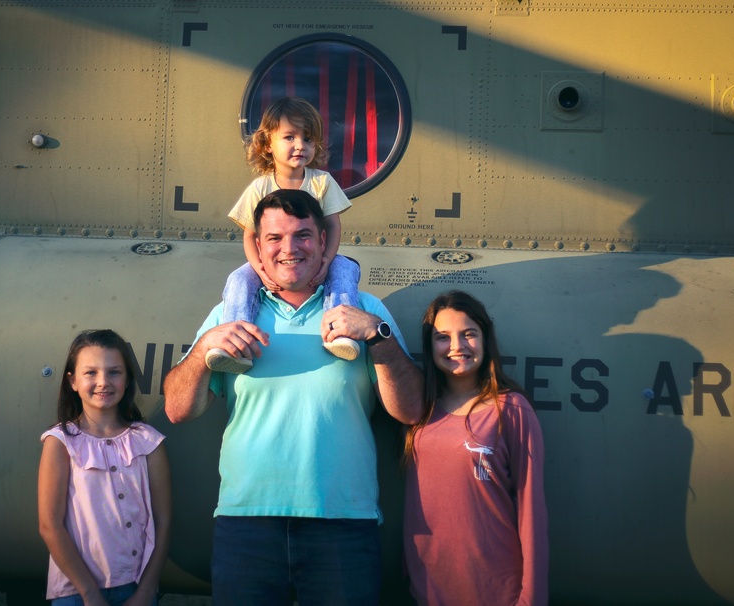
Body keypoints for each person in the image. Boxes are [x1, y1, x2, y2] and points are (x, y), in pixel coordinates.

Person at [164, 189, 423, 605]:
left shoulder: (363, 309)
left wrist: (378, 335)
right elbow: (178, 409)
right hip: (247, 525)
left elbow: (410, 410)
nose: (290, 249)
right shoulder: (230, 316)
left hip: (342, 524)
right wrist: (203, 350)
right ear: (259, 249)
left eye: (303, 235)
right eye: (275, 238)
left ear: (324, 242)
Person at [402, 291, 548, 606]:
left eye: (469, 334)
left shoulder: (511, 410)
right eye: (443, 337)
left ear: (485, 339)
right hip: (428, 590)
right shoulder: (418, 412)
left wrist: (532, 599)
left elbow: (532, 512)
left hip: (496, 591)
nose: (457, 346)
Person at [205, 96, 362, 374]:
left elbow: (333, 225)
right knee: (239, 279)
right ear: (268, 144)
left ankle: (341, 330)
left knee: (346, 269)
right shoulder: (260, 187)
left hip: (316, 257)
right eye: (289, 137)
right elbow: (250, 236)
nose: (301, 145)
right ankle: (236, 340)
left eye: (309, 139)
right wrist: (259, 268)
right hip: (269, 263)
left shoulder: (321, 182)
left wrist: (327, 259)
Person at [38, 329, 172, 606]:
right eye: (91, 373)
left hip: (135, 590)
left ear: (127, 380)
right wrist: (90, 594)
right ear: (73, 381)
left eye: (114, 372)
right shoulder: (60, 442)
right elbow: (49, 525)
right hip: (76, 592)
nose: (103, 382)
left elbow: (163, 521)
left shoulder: (149, 442)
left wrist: (147, 591)